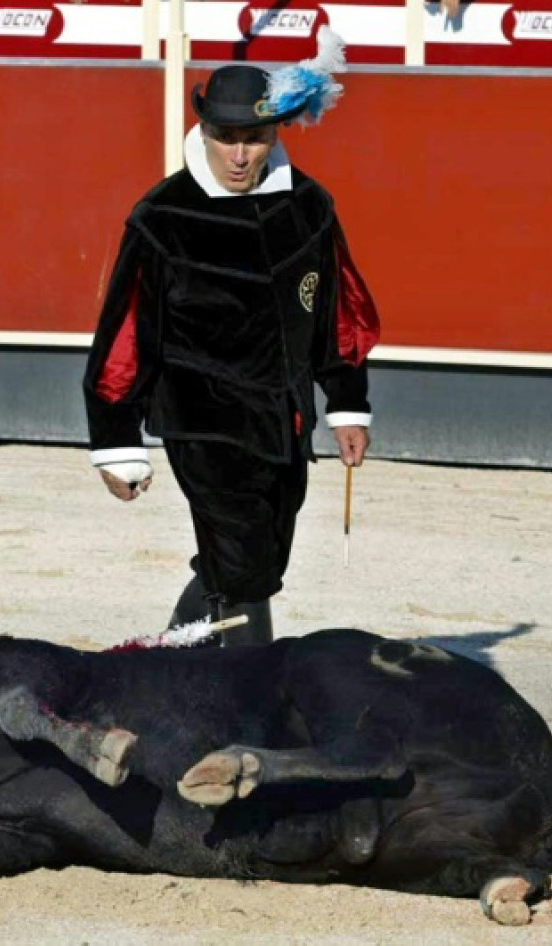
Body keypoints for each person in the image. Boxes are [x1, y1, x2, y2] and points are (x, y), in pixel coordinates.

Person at [82, 29, 380, 646]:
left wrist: (347, 401)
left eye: (254, 139)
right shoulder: (164, 216)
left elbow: (336, 312)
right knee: (245, 569)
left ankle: (164, 667)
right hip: (204, 421)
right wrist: (117, 438)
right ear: (206, 132)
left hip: (285, 419)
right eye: (227, 139)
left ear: (275, 135)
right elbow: (126, 334)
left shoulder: (309, 205)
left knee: (253, 562)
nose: (240, 155)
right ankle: (256, 706)